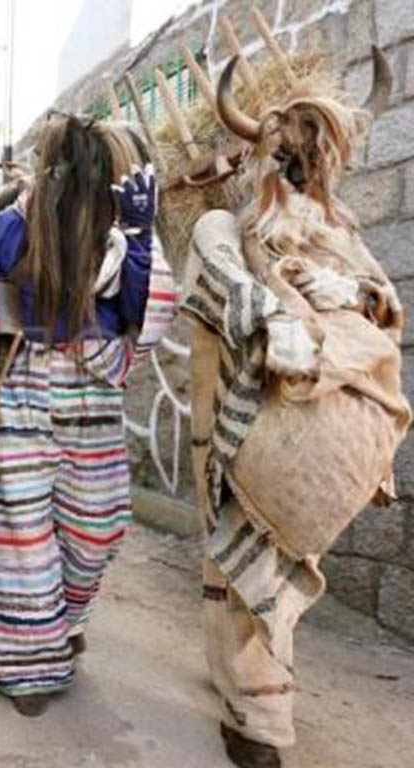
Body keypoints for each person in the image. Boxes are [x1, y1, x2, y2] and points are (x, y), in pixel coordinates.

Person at [184, 55, 408, 768]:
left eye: (313, 162)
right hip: (242, 417)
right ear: (265, 161)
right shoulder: (231, 228)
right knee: (230, 561)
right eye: (286, 159)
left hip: (317, 437)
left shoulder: (343, 236)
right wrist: (271, 309)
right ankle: (247, 698)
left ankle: (256, 705)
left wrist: (347, 293)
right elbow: (220, 287)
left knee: (273, 565)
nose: (300, 174)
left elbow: (383, 308)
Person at [0, 115, 175, 716]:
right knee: (22, 531)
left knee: (97, 529)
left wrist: (139, 238)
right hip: (26, 381)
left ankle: (65, 615)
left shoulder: (125, 230)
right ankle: (27, 666)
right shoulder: (14, 224)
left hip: (94, 388)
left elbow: (146, 313)